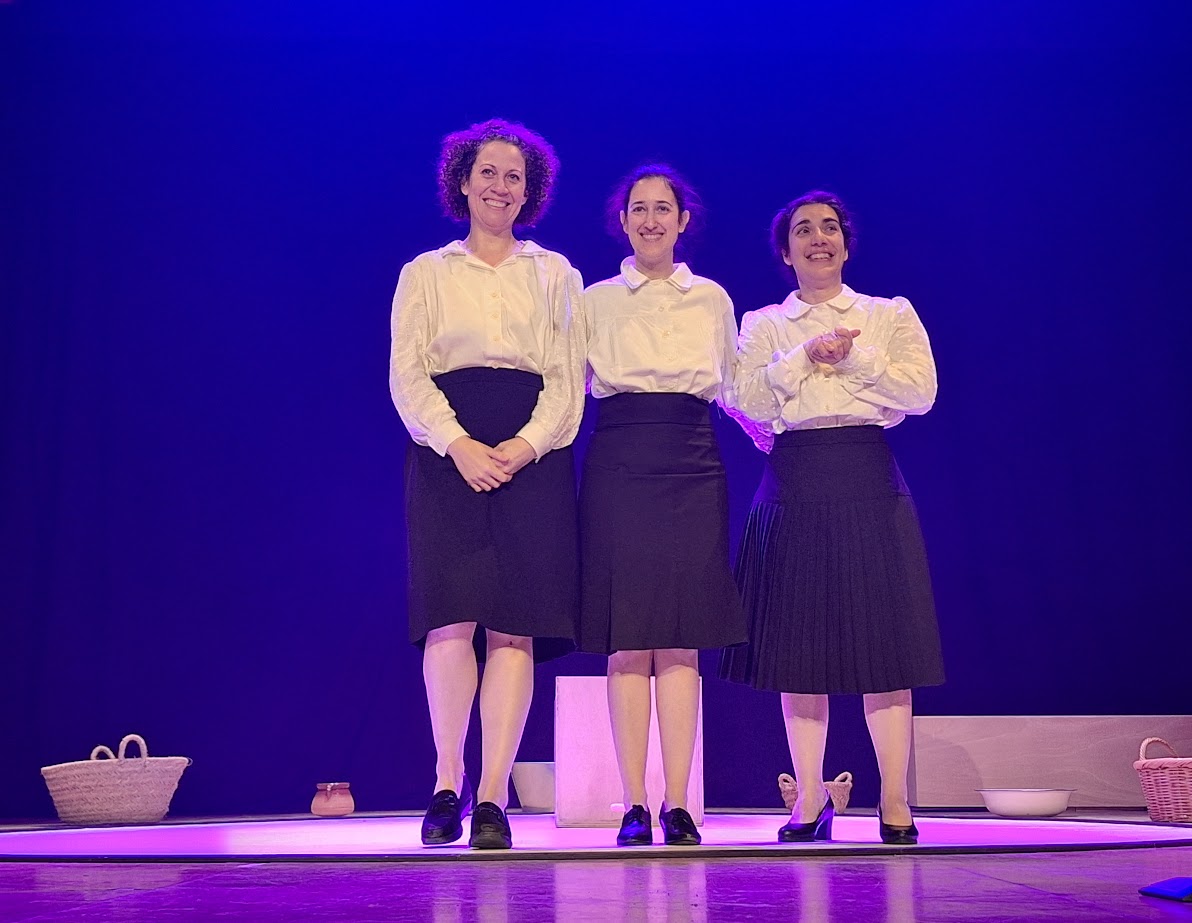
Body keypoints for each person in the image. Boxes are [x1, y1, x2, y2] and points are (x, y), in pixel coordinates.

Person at [721, 190, 944, 845]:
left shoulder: (887, 313)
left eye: (829, 228)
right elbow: (743, 396)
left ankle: (895, 800)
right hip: (795, 476)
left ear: (846, 243)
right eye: (803, 230)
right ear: (785, 251)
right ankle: (810, 797)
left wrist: (853, 357)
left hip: (868, 474)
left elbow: (920, 392)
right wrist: (803, 357)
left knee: (886, 647)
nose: (818, 238)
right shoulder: (764, 324)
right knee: (798, 651)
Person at [389, 118, 584, 850]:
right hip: (448, 451)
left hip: (533, 450)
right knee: (450, 619)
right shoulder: (426, 272)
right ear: (463, 183)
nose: (501, 186)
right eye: (489, 173)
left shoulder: (556, 273)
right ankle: (448, 782)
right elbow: (408, 375)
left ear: (529, 192)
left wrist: (525, 446)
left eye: (514, 176)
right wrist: (459, 443)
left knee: (514, 623)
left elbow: (567, 378)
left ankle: (495, 795)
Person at [579, 164, 745, 847]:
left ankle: (678, 804)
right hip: (619, 457)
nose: (651, 220)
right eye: (639, 209)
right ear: (623, 222)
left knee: (680, 635)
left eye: (663, 209)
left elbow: (737, 388)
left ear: (683, 221)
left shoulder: (711, 297)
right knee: (627, 637)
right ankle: (633, 804)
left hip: (693, 460)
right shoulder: (593, 299)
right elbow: (567, 384)